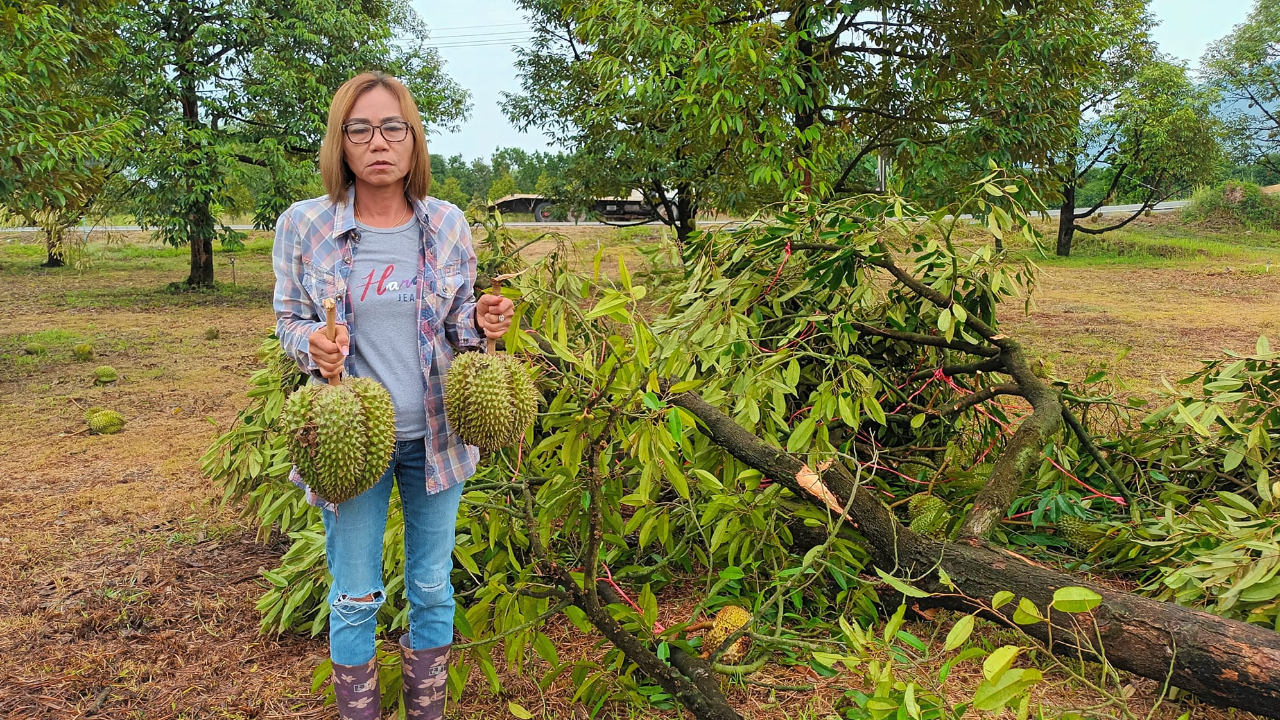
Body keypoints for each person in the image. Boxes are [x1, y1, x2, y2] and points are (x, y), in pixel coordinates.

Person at [271, 71, 513, 720]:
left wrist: (484, 323)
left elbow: (459, 325)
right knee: (353, 596)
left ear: (413, 140)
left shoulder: (447, 224)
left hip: (437, 436)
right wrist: (311, 347)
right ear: (340, 144)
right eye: (360, 129)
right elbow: (291, 319)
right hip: (350, 437)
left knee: (432, 588)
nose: (377, 142)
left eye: (391, 127)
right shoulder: (305, 225)